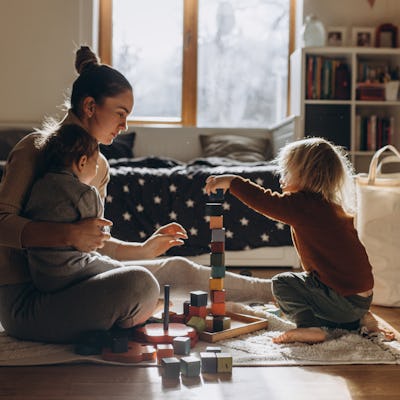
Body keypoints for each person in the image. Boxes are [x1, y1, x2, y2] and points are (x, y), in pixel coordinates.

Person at [0, 46, 273, 343]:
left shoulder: (99, 166)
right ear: (90, 106)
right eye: (120, 114)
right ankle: (131, 316)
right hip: (27, 301)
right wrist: (68, 234)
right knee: (139, 285)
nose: (125, 125)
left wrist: (142, 250)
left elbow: (92, 242)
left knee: (175, 268)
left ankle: (278, 291)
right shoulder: (33, 148)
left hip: (77, 279)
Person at [205, 137, 375, 344]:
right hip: (361, 300)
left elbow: (265, 201)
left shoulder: (304, 204)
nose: (281, 178)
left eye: (286, 172)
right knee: (307, 288)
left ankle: (309, 327)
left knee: (283, 283)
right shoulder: (329, 206)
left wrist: (233, 182)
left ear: (307, 175)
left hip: (343, 299)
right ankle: (354, 320)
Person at [24, 124, 127, 292]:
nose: (95, 172)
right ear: (82, 162)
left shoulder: (38, 185)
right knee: (122, 271)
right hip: (71, 270)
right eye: (95, 166)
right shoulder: (85, 192)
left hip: (39, 275)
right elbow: (99, 236)